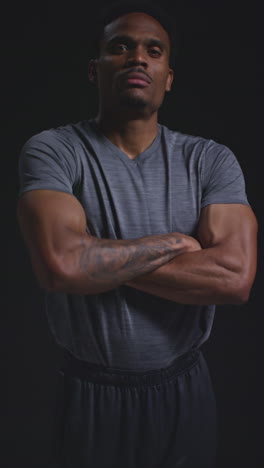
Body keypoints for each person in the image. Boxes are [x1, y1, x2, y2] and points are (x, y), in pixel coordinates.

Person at [17, 2, 258, 467]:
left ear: (168, 75)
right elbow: (60, 264)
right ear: (95, 68)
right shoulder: (55, 150)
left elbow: (234, 278)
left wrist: (98, 259)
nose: (137, 58)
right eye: (120, 47)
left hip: (184, 390)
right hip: (91, 393)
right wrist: (176, 244)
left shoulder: (210, 160)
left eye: (154, 50)